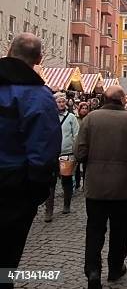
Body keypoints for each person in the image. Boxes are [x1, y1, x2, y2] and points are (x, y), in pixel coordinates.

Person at [0, 33, 62, 276]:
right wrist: (35, 190)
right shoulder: (37, 96)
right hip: (12, 187)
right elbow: (44, 149)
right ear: (39, 58)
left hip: (12, 182)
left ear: (8, 50)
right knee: (6, 258)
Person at [74, 85, 127, 288]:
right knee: (120, 230)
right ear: (122, 100)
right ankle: (115, 267)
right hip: (123, 185)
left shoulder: (90, 119)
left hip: (96, 184)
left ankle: (93, 271)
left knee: (94, 229)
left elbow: (79, 152)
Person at [44, 92, 79, 220]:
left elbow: (76, 134)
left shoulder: (71, 117)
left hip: (67, 153)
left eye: (63, 101)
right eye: (59, 102)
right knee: (51, 182)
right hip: (52, 153)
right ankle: (49, 211)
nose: (61, 104)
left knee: (66, 179)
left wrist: (75, 151)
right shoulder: (49, 117)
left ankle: (66, 205)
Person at [75, 101, 90, 190]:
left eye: (86, 108)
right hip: (77, 143)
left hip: (86, 145)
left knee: (85, 166)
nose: (84, 110)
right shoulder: (76, 118)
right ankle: (77, 183)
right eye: (82, 108)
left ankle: (85, 184)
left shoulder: (89, 119)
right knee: (76, 166)